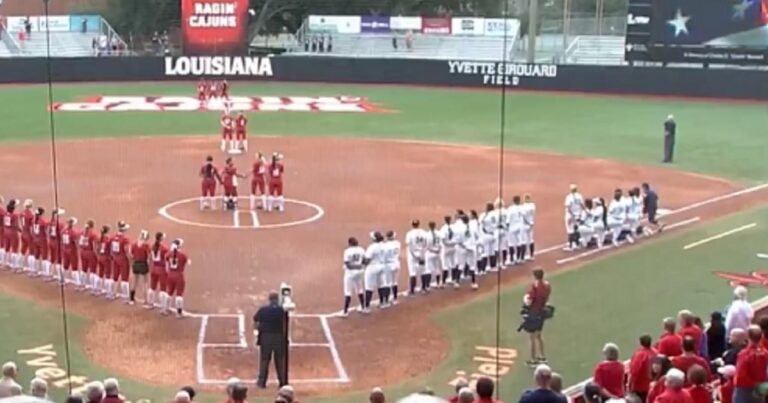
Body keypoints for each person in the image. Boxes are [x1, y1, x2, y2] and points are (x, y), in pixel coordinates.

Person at [254, 291, 288, 388]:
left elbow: (256, 320)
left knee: (264, 360)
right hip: (279, 337)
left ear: (269, 299)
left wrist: (258, 331)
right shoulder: (281, 310)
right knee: (280, 360)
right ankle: (282, 382)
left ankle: (262, 382)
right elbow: (285, 323)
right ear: (277, 300)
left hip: (266, 337)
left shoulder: (263, 310)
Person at [733, 325, 768, 403]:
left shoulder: (745, 354)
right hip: (759, 389)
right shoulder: (765, 353)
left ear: (748, 336)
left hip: (744, 389)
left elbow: (740, 376)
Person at [341, 237, 366, 317]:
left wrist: (356, 266)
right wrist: (359, 266)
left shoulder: (347, 251)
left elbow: (348, 265)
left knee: (348, 291)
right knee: (360, 289)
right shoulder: (362, 249)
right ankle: (363, 307)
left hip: (350, 273)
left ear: (350, 243)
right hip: (360, 272)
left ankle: (345, 312)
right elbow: (364, 261)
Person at [629, 335, 658, 402]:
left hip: (640, 387)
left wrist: (630, 385)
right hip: (652, 386)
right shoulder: (656, 352)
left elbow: (634, 371)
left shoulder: (640, 355)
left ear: (641, 343)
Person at [165, 239, 189, 317]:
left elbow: (167, 260)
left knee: (169, 293)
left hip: (170, 275)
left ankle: (166, 309)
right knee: (179, 295)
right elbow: (187, 262)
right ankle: (179, 313)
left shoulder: (169, 254)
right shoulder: (183, 255)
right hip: (179, 276)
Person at [364, 231, 387, 309]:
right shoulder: (384, 245)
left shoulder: (372, 247)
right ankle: (382, 303)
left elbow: (367, 260)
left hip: (373, 267)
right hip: (382, 266)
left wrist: (362, 263)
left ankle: (366, 307)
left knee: (369, 287)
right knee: (381, 285)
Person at [110, 221, 131, 301]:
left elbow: (111, 249)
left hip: (115, 258)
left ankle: (113, 293)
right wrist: (130, 259)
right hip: (123, 260)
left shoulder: (113, 237)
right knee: (124, 278)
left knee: (115, 277)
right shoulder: (125, 239)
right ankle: (126, 296)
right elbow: (126, 251)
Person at [405, 219, 427, 295]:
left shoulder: (409, 233)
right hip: (422, 253)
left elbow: (409, 245)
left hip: (412, 255)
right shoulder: (424, 232)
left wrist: (414, 255)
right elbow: (425, 244)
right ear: (419, 224)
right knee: (423, 271)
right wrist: (422, 253)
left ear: (412, 225)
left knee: (412, 272)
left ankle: (412, 291)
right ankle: (424, 288)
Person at [129, 230, 150, 306]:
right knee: (145, 283)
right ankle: (145, 301)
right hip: (143, 264)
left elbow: (131, 255)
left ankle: (131, 299)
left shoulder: (134, 244)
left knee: (134, 282)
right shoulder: (146, 245)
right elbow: (148, 257)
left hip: (136, 264)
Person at [148, 232, 168, 309]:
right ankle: (163, 307)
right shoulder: (164, 248)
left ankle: (150, 303)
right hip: (162, 269)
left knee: (152, 287)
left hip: (154, 268)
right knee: (163, 289)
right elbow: (167, 259)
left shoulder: (152, 247)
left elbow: (150, 259)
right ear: (161, 238)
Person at [563, 184, 586, 251]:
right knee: (576, 229)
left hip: (571, 215)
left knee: (570, 230)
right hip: (578, 214)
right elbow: (582, 205)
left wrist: (572, 215)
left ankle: (571, 246)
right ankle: (577, 243)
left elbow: (568, 207)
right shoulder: (579, 196)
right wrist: (582, 214)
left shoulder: (569, 197)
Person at [382, 230, 401, 304]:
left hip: (388, 265)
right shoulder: (398, 243)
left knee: (387, 283)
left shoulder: (385, 245)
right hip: (396, 263)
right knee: (395, 282)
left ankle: (386, 300)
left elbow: (384, 256)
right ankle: (395, 299)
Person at [61, 216, 81, 286]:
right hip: (72, 251)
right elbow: (76, 242)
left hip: (65, 249)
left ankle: (62, 280)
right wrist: (78, 248)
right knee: (74, 267)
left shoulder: (63, 230)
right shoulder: (73, 232)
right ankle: (78, 283)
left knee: (65, 266)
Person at [47, 208, 65, 283]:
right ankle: (60, 278)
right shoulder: (60, 224)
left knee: (52, 259)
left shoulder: (51, 222)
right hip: (57, 243)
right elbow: (61, 234)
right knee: (59, 261)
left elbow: (48, 232)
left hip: (51, 241)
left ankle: (50, 274)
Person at [31, 207, 49, 278]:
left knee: (36, 256)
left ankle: (36, 271)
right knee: (44, 257)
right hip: (42, 241)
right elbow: (46, 232)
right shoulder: (43, 222)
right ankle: (46, 274)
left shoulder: (33, 220)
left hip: (35, 239)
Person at [96, 224, 112, 296]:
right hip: (106, 258)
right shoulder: (108, 239)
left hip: (100, 257)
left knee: (100, 274)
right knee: (108, 275)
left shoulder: (99, 238)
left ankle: (98, 290)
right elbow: (111, 250)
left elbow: (97, 248)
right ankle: (108, 292)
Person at [425, 221, 442, 289]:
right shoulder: (439, 233)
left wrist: (433, 250)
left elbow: (427, 246)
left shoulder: (427, 234)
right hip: (438, 253)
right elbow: (441, 243)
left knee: (428, 269)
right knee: (437, 268)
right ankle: (438, 283)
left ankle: (428, 286)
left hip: (430, 253)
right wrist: (438, 250)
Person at [20, 199, 34, 274]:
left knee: (23, 250)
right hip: (29, 234)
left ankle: (20, 266)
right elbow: (32, 227)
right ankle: (31, 270)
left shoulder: (22, 213)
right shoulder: (31, 215)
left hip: (23, 233)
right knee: (31, 252)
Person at [522, 194, 536, 260]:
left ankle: (524, 255)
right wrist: (531, 222)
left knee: (524, 240)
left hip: (525, 225)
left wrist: (528, 222)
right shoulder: (532, 205)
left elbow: (524, 217)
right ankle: (532, 255)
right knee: (531, 240)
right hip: (531, 224)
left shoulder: (523, 207)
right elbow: (533, 213)